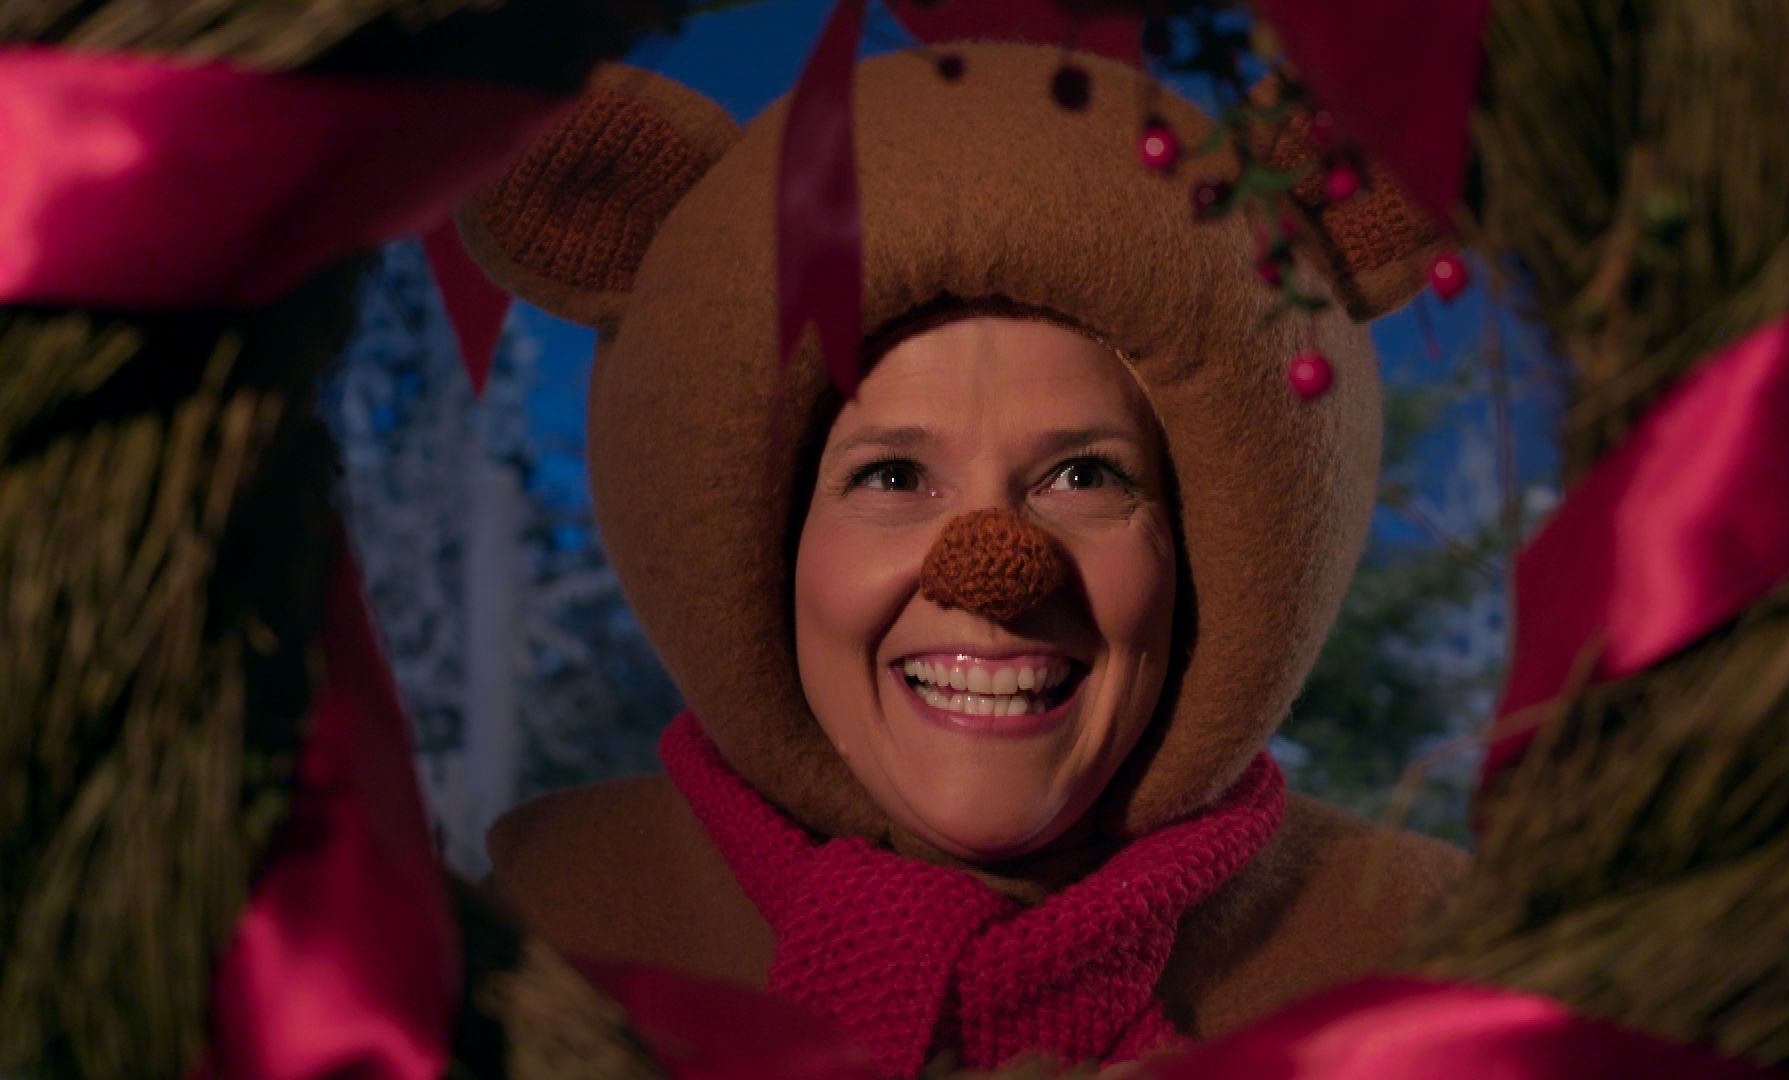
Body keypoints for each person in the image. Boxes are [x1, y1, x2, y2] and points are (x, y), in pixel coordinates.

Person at [457, 43, 1465, 1076]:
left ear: (1223, 550)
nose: (993, 567)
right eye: (893, 477)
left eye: (1084, 477)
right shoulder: (546, 933)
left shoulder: (1429, 962)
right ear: (753, 547)